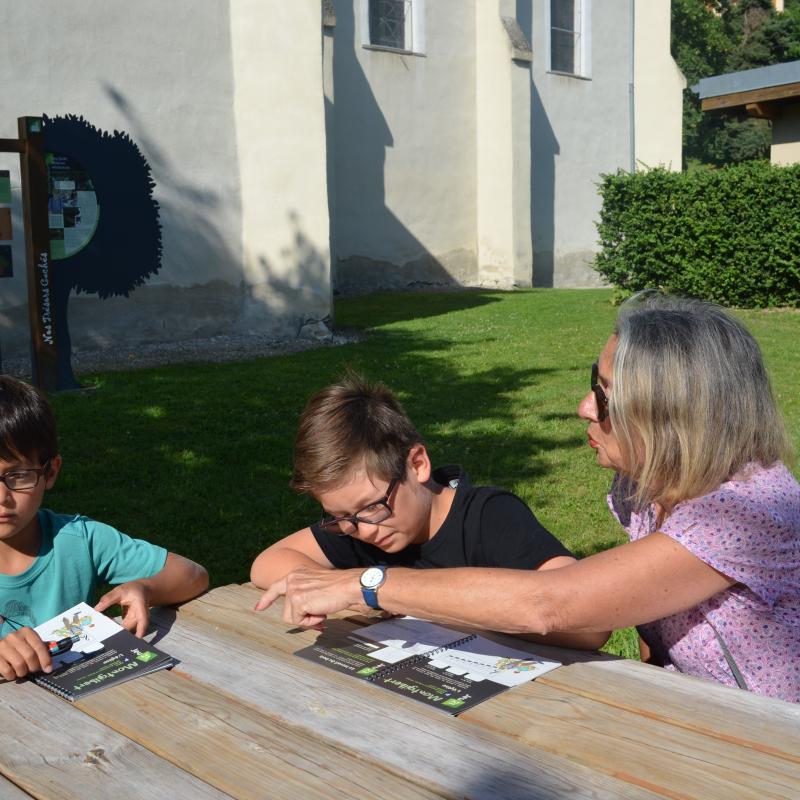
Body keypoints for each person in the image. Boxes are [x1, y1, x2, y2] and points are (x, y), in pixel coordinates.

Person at [257, 293, 800, 702]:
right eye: (594, 384)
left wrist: (367, 583)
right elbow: (660, 627)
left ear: (672, 416)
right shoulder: (646, 487)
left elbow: (553, 604)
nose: (585, 408)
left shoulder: (743, 510)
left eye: (606, 397)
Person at [251, 374, 609, 650]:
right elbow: (267, 563)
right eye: (341, 517)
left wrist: (374, 588)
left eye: (372, 507)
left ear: (418, 464)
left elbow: (591, 624)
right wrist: (331, 585)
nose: (363, 530)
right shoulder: (362, 528)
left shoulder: (488, 516)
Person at [0, 375, 209, 681]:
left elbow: (193, 575)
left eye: (18, 475)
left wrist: (146, 588)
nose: (2, 498)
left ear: (51, 471)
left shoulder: (78, 538)